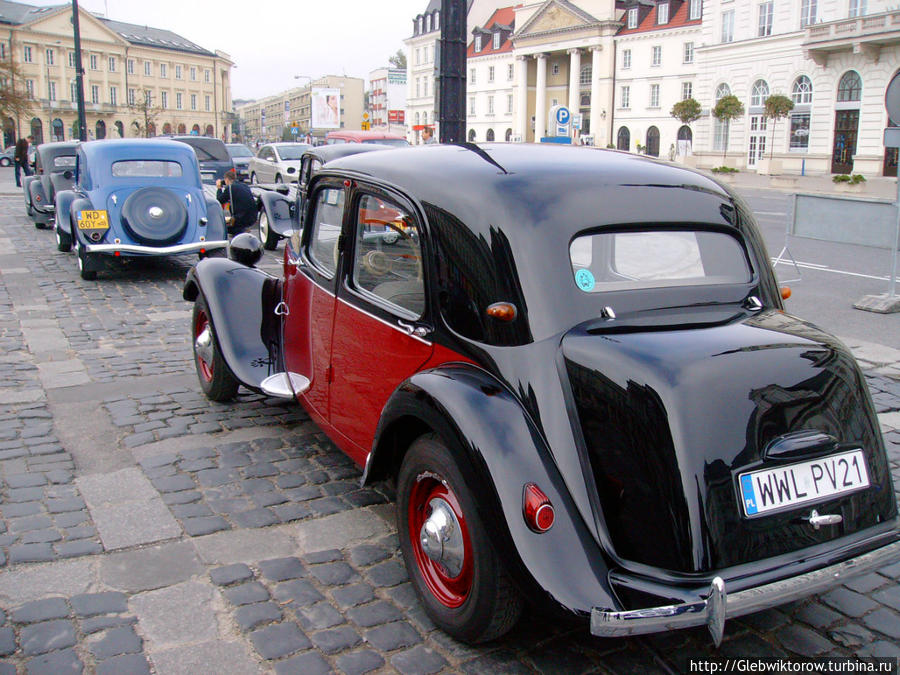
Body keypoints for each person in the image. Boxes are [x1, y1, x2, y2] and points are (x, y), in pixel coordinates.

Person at [216, 169, 257, 237]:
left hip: (240, 219)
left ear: (226, 180)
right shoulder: (244, 186)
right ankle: (243, 229)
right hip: (252, 217)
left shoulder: (230, 187)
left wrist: (219, 188)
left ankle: (241, 230)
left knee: (224, 229)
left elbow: (219, 200)